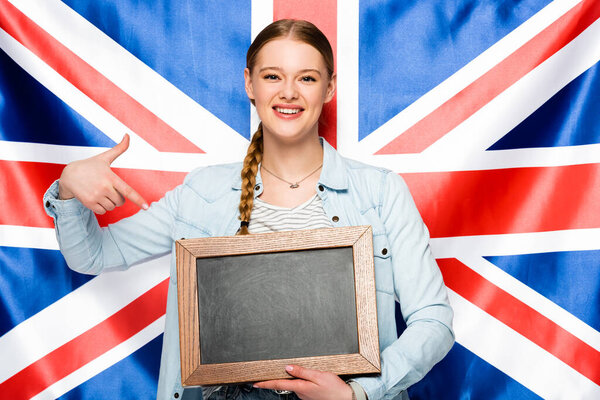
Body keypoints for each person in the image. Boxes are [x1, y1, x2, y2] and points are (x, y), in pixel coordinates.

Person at [44, 19, 454, 400]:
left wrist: (357, 394)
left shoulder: (381, 192)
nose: (289, 92)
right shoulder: (202, 192)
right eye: (272, 76)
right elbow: (92, 255)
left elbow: (433, 320)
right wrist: (67, 188)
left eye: (306, 78)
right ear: (249, 84)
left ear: (329, 89)